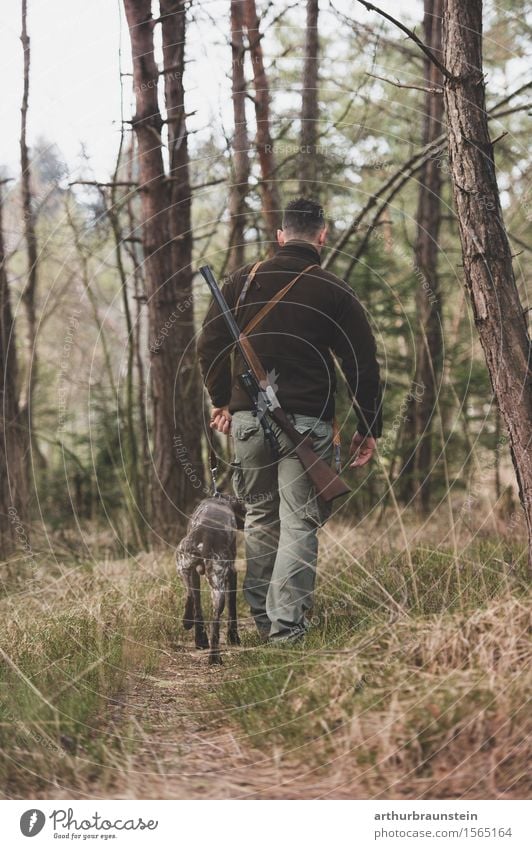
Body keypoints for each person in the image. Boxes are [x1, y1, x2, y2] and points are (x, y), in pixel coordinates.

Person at [197, 198, 383, 643]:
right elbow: (363, 365)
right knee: (299, 522)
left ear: (280, 236)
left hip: (248, 425)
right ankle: (286, 630)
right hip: (308, 425)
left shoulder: (241, 283)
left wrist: (224, 400)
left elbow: (208, 347)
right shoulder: (335, 290)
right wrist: (368, 426)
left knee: (261, 517)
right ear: (322, 237)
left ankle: (263, 622)